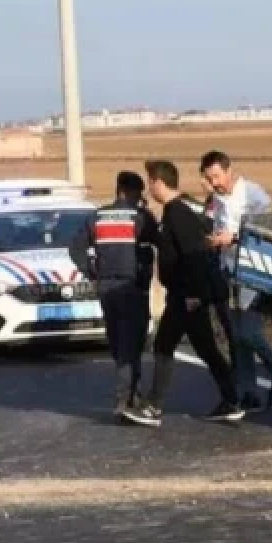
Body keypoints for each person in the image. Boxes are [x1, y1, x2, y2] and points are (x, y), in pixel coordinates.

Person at [121, 160, 245, 427]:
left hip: (186, 295)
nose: (149, 189)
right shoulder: (181, 208)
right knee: (206, 349)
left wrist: (193, 294)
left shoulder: (177, 211)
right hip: (188, 293)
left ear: (158, 183)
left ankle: (153, 407)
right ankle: (232, 400)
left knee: (164, 346)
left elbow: (194, 255)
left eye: (150, 182)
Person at [200, 149, 272, 411]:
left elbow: (271, 229)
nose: (215, 182)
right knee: (237, 336)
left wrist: (235, 238)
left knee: (248, 332)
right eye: (209, 178)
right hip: (230, 269)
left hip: (254, 270)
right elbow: (219, 228)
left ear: (229, 170)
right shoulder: (217, 200)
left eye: (217, 176)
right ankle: (249, 392)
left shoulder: (253, 194)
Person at [68, 171, 160, 416]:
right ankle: (125, 400)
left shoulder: (97, 216)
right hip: (132, 287)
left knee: (119, 342)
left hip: (106, 287)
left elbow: (75, 248)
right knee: (132, 344)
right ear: (129, 192)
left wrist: (92, 272)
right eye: (138, 194)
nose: (139, 199)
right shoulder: (140, 217)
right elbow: (161, 241)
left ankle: (132, 394)